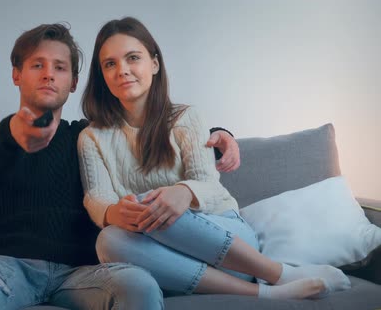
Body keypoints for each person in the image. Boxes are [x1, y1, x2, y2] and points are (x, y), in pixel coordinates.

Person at [0, 22, 240, 310]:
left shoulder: (90, 137)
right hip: (4, 266)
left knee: (139, 284)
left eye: (60, 67)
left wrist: (219, 135)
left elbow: (152, 135)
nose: (49, 74)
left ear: (74, 82)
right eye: (38, 65)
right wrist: (15, 133)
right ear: (16, 75)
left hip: (87, 272)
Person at [78, 17, 352, 301]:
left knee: (152, 201)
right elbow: (97, 197)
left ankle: (278, 273)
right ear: (102, 75)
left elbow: (208, 182)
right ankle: (266, 294)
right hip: (167, 263)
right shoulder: (92, 137)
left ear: (155, 64)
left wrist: (184, 192)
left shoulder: (185, 118)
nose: (122, 70)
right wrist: (112, 214)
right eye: (110, 64)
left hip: (230, 245)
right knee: (109, 240)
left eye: (132, 58)